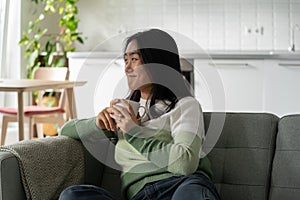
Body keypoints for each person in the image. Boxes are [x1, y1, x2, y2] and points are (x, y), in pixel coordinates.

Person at [58, 29, 220, 200]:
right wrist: (98, 122)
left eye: (134, 60)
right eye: (126, 60)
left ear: (157, 62)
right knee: (72, 195)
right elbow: (65, 131)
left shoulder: (185, 105)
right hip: (139, 196)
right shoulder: (126, 111)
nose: (127, 68)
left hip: (181, 187)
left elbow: (185, 163)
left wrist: (133, 132)